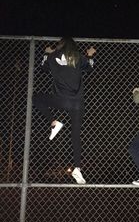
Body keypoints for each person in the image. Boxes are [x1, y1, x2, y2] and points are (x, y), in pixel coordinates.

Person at [32, 37, 96, 184]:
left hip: (60, 100)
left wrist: (47, 53)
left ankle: (53, 122)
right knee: (75, 135)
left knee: (37, 98)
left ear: (59, 45)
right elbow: (90, 68)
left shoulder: (53, 56)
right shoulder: (78, 57)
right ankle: (77, 168)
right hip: (77, 103)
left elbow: (42, 68)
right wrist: (90, 55)